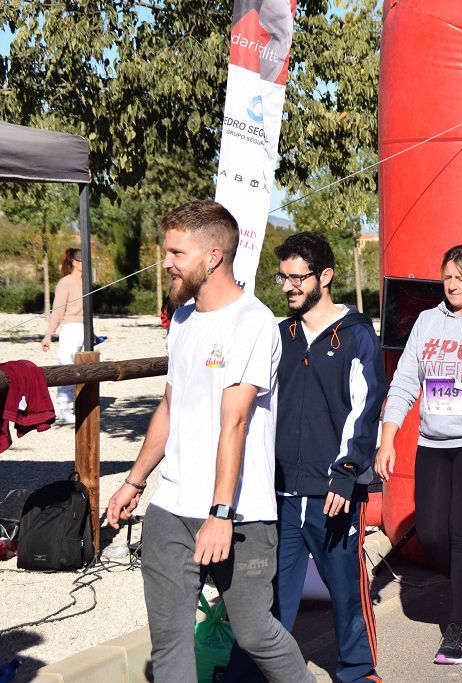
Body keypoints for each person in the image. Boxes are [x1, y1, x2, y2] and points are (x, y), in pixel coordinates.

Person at [105, 201, 313, 683]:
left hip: (238, 514)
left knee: (255, 632)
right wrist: (134, 481)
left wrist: (220, 513)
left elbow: (234, 422)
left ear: (214, 256)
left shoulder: (254, 323)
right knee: (171, 640)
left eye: (177, 251)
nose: (167, 262)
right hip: (172, 507)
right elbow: (170, 408)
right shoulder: (182, 321)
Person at [376, 244, 462, 666]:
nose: (451, 284)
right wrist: (387, 438)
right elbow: (403, 383)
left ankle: (458, 628)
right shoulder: (427, 321)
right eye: (447, 276)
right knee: (433, 534)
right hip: (433, 442)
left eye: (460, 278)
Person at [271, 232, 385, 682]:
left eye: (297, 278)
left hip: (334, 491)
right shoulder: (281, 336)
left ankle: (358, 671)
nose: (288, 287)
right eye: (283, 277)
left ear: (326, 276)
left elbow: (366, 406)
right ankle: (260, 671)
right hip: (279, 490)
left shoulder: (356, 335)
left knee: (346, 592)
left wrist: (346, 473)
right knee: (272, 596)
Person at [41, 248, 84, 424]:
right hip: (70, 329)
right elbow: (57, 311)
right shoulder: (65, 283)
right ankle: (64, 409)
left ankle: (78, 405)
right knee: (66, 368)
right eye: (83, 260)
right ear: (75, 262)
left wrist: (92, 333)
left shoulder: (86, 282)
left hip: (84, 329)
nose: (88, 263)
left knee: (82, 371)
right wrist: (48, 335)